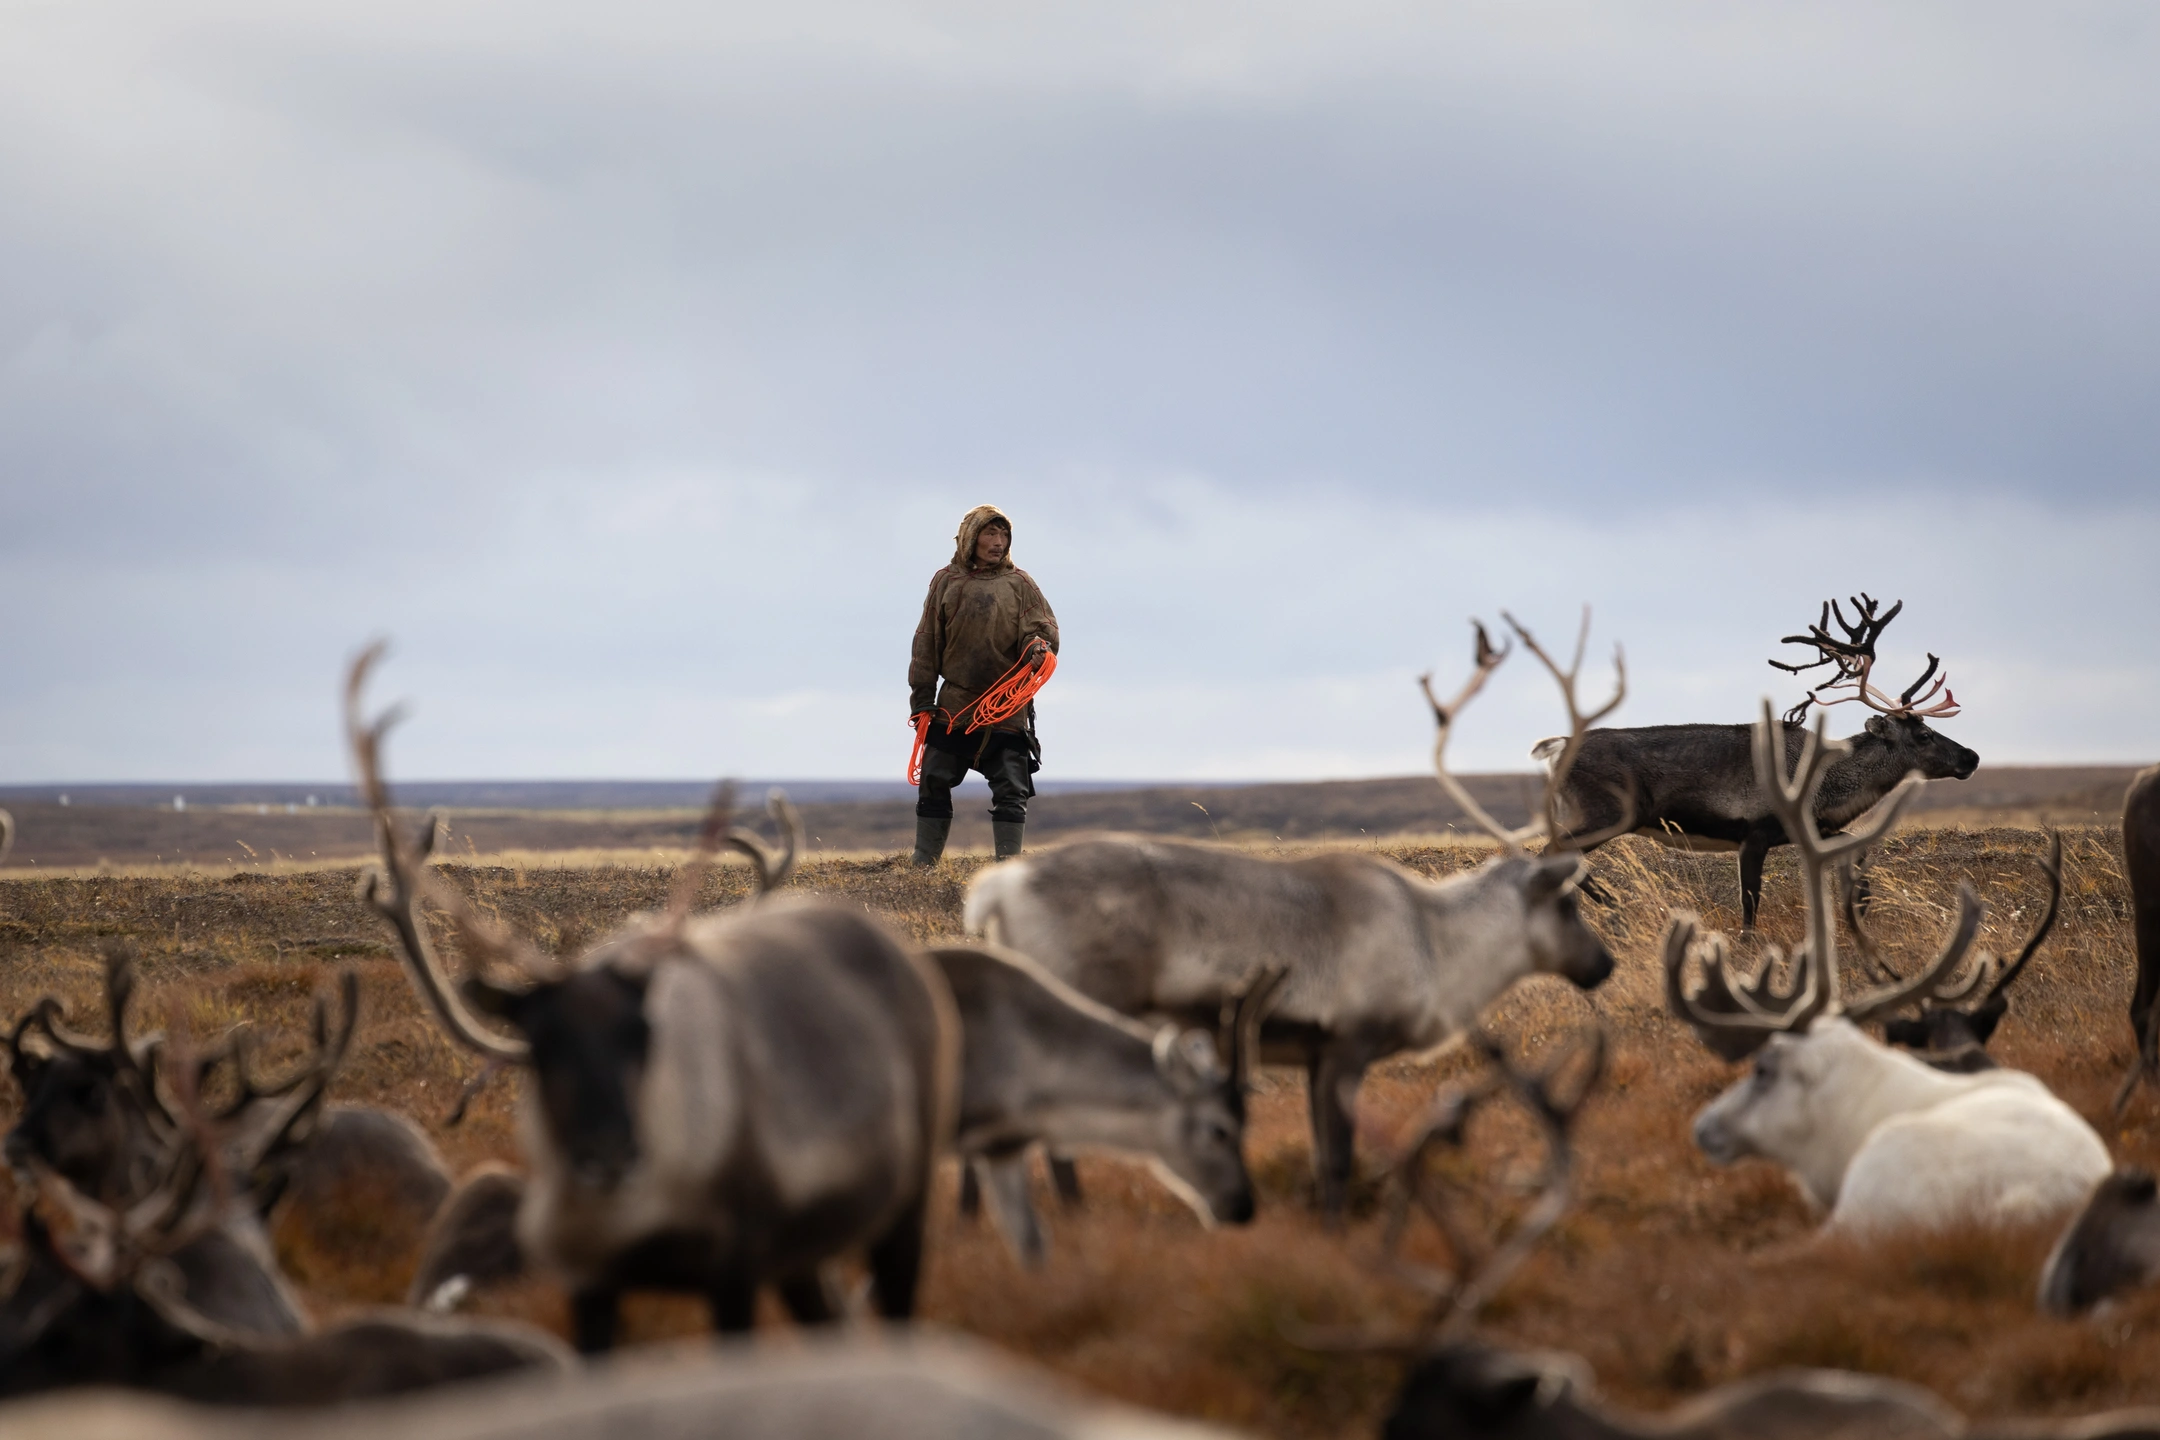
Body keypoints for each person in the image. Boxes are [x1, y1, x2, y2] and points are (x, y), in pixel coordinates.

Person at [907, 505, 1060, 866]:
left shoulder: (1020, 584)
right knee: (934, 779)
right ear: (970, 538)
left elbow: (1040, 630)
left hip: (1006, 706)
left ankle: (1007, 869)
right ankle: (923, 862)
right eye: (990, 534)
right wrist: (922, 701)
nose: (998, 542)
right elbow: (926, 643)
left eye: (1003, 535)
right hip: (954, 704)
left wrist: (1037, 648)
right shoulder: (946, 581)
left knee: (1012, 789)